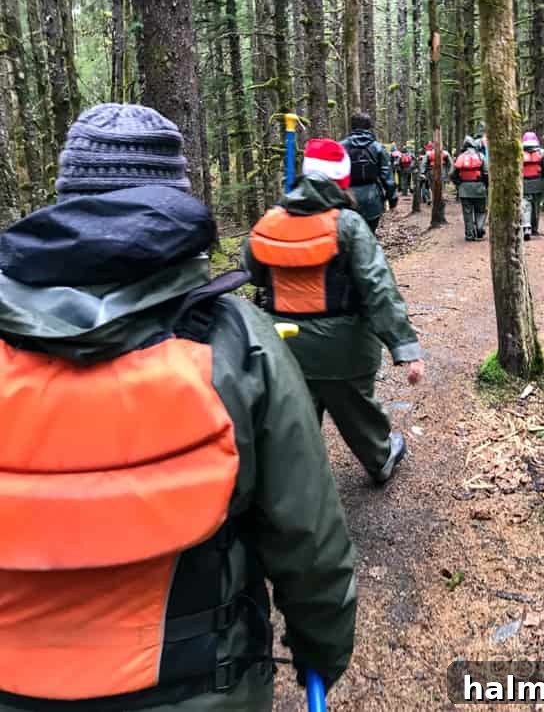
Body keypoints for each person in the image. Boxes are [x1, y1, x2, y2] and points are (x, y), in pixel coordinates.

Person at [0, 104, 356, 712]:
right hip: (204, 686)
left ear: (66, 197)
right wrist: (321, 648)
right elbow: (308, 538)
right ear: (174, 195)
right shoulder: (233, 339)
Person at [241, 138, 425, 485]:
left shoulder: (269, 222)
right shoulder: (350, 225)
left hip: (283, 346)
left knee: (296, 419)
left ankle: (297, 484)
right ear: (342, 182)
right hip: (345, 351)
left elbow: (250, 269)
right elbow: (378, 288)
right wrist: (405, 349)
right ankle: (380, 458)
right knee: (359, 413)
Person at [341, 113, 398, 234]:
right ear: (368, 127)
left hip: (347, 197)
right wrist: (392, 199)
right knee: (369, 234)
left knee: (349, 235)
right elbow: (387, 175)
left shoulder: (341, 147)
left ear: (352, 126)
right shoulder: (377, 147)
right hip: (372, 198)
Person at [521, 130, 544, 240]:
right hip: (538, 184)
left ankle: (526, 226)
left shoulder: (519, 153)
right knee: (536, 206)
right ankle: (534, 229)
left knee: (525, 205)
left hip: (524, 183)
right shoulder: (541, 153)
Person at [451, 135, 489, 241]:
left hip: (464, 190)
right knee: (480, 210)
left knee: (467, 213)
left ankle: (469, 234)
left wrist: (459, 184)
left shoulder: (460, 157)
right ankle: (479, 230)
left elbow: (453, 174)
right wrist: (486, 185)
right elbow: (486, 173)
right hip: (479, 188)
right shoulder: (481, 156)